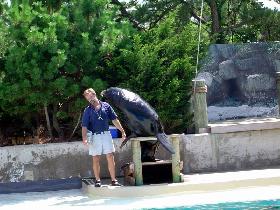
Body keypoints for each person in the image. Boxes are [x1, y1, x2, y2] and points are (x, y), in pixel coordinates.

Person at [81, 88, 126, 187]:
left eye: (91, 97)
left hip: (106, 134)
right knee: (95, 158)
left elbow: (114, 120)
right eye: (88, 99)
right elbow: (84, 126)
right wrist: (84, 138)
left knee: (110, 156)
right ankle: (97, 180)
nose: (90, 100)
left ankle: (114, 180)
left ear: (94, 94)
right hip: (94, 136)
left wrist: (122, 131)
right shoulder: (87, 110)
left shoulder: (106, 106)